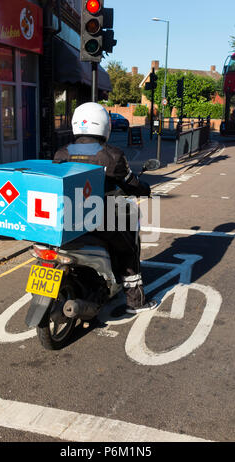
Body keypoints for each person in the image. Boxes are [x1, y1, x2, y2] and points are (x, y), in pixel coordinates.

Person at [53, 102, 157, 314]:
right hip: (102, 220)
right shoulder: (113, 155)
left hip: (67, 219)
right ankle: (135, 302)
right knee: (128, 249)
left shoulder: (61, 153)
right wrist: (145, 189)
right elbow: (131, 183)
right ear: (103, 125)